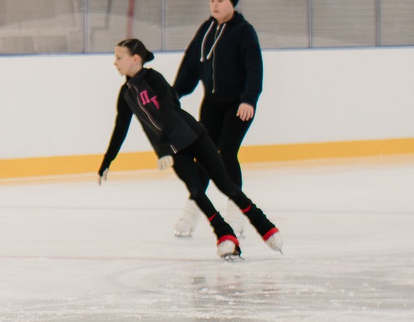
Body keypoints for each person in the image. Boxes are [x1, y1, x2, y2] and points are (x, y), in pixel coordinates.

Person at [98, 37, 284, 258]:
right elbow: (121, 127)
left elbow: (168, 110)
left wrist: (163, 148)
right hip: (175, 151)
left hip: (194, 137)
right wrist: (107, 160)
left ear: (135, 59)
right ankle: (225, 235)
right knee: (196, 192)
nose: (115, 62)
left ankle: (265, 227)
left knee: (226, 185)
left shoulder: (154, 78)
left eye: (119, 57)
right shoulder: (126, 94)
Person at [170, 0, 263, 236]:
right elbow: (191, 63)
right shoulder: (207, 30)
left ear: (232, 3)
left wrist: (249, 99)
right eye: (212, 0)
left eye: (220, 0)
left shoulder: (244, 31)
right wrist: (175, 92)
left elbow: (254, 68)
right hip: (211, 103)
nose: (215, 5)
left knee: (227, 153)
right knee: (204, 158)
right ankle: (190, 215)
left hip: (238, 105)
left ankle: (236, 215)